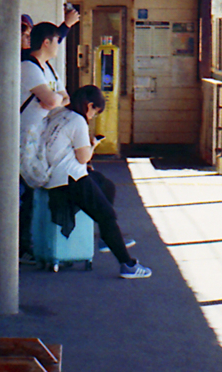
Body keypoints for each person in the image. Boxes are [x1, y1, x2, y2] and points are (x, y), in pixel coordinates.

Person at [39, 85, 150, 279]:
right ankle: (127, 264)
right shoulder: (78, 121)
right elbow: (83, 158)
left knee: (106, 185)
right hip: (71, 180)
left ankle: (107, 239)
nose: (92, 116)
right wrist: (93, 145)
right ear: (89, 105)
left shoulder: (59, 114)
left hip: (57, 176)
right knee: (107, 215)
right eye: (95, 112)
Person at [19, 22, 70, 259]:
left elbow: (64, 98)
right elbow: (52, 101)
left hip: (39, 136)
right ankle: (20, 243)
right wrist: (52, 100)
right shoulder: (28, 67)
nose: (59, 45)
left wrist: (52, 99)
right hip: (22, 136)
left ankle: (27, 241)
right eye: (57, 41)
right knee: (23, 191)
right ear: (46, 42)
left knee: (31, 191)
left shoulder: (49, 69)